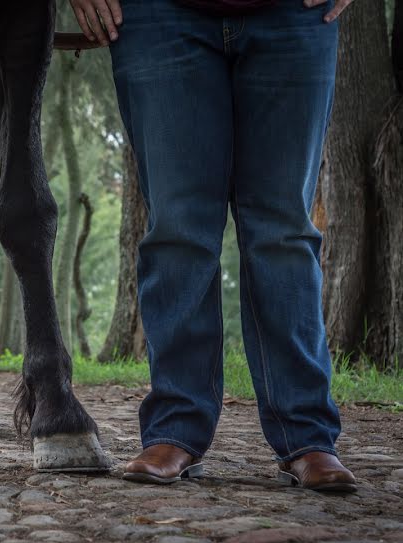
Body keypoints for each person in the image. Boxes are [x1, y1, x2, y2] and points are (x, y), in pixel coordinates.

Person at [68, 0, 357, 492]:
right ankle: (175, 429)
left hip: (293, 15)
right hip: (158, 15)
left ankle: (306, 435)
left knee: (283, 229)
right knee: (178, 226)